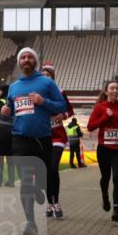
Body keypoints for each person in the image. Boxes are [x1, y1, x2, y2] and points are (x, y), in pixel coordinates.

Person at [2, 48, 66, 235]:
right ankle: (31, 222)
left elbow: (61, 105)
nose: (27, 59)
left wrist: (43, 101)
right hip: (20, 139)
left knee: (43, 178)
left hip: (43, 139)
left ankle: (41, 191)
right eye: (23, 57)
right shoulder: (13, 87)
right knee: (25, 182)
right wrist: (7, 111)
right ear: (19, 62)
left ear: (35, 62)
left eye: (30, 57)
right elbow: (14, 110)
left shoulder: (46, 82)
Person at [87, 78, 118, 223]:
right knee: (105, 177)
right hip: (104, 149)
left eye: (117, 88)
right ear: (106, 92)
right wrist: (106, 116)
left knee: (117, 178)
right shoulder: (100, 107)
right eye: (112, 88)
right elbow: (90, 126)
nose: (115, 90)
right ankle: (105, 196)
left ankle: (116, 210)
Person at [40, 63, 72, 219]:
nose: (45, 76)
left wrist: (63, 116)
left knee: (53, 168)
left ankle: (56, 201)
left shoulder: (59, 92)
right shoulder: (36, 93)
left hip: (58, 135)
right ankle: (49, 203)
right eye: (43, 74)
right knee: (45, 171)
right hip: (42, 136)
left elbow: (69, 110)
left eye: (48, 74)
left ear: (53, 77)